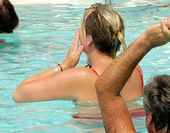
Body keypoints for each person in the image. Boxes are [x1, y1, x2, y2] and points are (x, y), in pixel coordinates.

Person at [12, 3, 143, 107]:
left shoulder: (81, 77)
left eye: (82, 31)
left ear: (89, 40)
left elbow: (19, 94)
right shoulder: (136, 70)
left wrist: (64, 65)